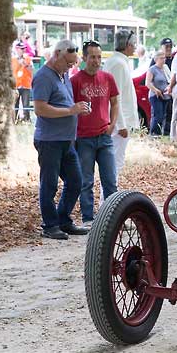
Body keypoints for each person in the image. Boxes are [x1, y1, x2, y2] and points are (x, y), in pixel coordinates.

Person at [31, 39, 91, 240]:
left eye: (73, 64)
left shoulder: (63, 76)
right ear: (56, 54)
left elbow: (67, 104)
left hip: (67, 140)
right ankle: (50, 225)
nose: (70, 67)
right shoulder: (43, 77)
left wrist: (77, 109)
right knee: (49, 184)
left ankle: (64, 220)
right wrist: (70, 110)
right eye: (68, 63)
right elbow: (40, 108)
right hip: (49, 141)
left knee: (75, 181)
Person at [71, 40, 119, 227]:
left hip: (104, 136)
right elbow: (70, 107)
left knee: (110, 180)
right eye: (92, 57)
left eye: (99, 57)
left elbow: (115, 102)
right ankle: (88, 219)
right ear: (84, 58)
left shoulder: (107, 78)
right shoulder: (75, 81)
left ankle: (113, 217)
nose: (96, 61)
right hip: (84, 138)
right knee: (86, 180)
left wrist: (113, 124)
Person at [103, 29, 140, 187]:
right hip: (118, 125)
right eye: (133, 44)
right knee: (115, 164)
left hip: (119, 123)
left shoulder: (119, 61)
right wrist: (120, 125)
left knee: (116, 163)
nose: (135, 47)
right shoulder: (117, 63)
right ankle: (109, 202)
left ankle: (110, 199)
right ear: (127, 45)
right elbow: (114, 97)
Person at [146, 50, 173, 136]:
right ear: (156, 59)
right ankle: (154, 133)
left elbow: (170, 79)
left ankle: (164, 132)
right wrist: (156, 90)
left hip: (166, 95)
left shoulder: (165, 68)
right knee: (158, 115)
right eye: (161, 58)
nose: (163, 60)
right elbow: (148, 83)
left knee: (165, 115)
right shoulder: (152, 69)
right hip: (155, 96)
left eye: (164, 58)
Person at [12, 42, 34, 122]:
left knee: (26, 104)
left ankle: (26, 119)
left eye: (24, 48)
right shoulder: (12, 59)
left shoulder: (28, 58)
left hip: (25, 84)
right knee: (15, 104)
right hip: (16, 85)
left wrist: (25, 64)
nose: (23, 50)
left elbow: (32, 70)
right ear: (17, 49)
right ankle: (14, 119)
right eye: (21, 49)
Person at [158, 37, 175, 136]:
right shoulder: (158, 59)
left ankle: (168, 133)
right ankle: (161, 133)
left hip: (173, 91)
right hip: (162, 92)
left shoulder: (174, 59)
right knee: (161, 115)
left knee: (171, 114)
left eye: (170, 46)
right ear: (162, 47)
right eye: (166, 46)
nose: (169, 48)